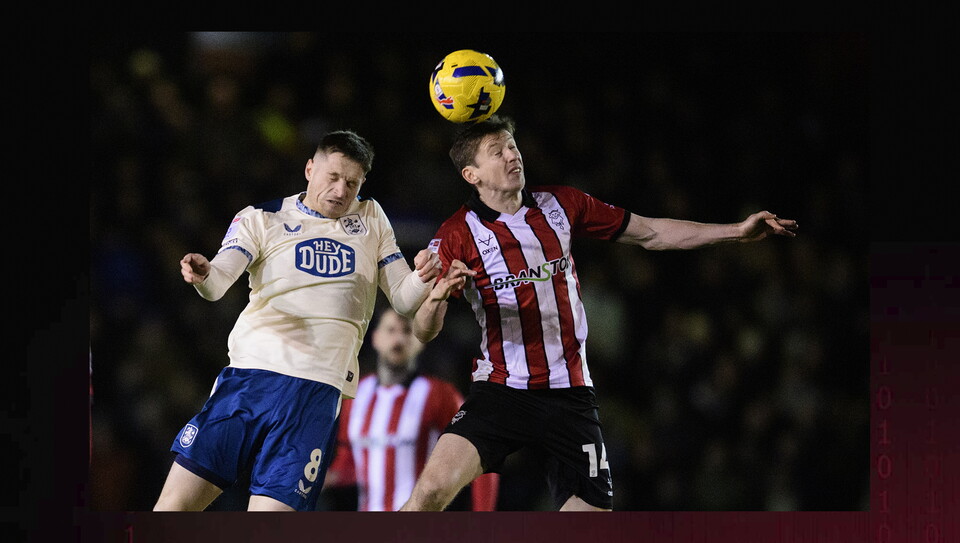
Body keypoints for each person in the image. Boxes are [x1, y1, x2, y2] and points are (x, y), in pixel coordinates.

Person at [399, 115, 799, 512]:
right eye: (496, 152)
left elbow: (652, 233)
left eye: (512, 146)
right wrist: (435, 300)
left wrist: (736, 231)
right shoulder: (455, 234)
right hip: (502, 391)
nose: (511, 156)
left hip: (570, 394)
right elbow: (422, 332)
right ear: (472, 174)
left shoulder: (562, 203)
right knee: (431, 491)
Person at [153, 130, 443, 512]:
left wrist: (423, 275)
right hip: (249, 380)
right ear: (310, 169)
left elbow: (404, 299)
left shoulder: (371, 218)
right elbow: (218, 283)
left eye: (352, 184)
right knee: (172, 510)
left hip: (316, 395)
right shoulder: (261, 217)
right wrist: (205, 274)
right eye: (333, 177)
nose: (341, 191)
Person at [321, 308, 499, 511]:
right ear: (376, 338)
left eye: (406, 331)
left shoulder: (438, 394)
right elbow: (352, 462)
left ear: (420, 341)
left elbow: (481, 454)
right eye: (391, 330)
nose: (398, 339)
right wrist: (320, 480)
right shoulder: (356, 394)